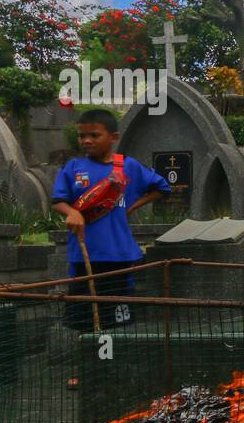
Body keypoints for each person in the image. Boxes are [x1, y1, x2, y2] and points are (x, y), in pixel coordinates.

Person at [51, 109, 170, 336]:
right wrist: (72, 213)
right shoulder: (73, 167)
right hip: (84, 254)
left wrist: (133, 205)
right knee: (82, 320)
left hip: (118, 255)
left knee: (117, 322)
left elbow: (162, 187)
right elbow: (58, 201)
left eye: (94, 135)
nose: (86, 140)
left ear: (113, 137)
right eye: (81, 135)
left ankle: (114, 364)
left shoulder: (127, 167)